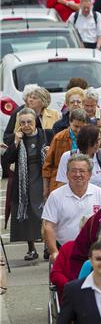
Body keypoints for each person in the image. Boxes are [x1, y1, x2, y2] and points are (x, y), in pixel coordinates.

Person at [3, 108, 47, 260]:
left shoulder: (46, 135)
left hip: (42, 178)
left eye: (29, 122)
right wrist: (15, 142)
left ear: (36, 122)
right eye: (23, 122)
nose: (26, 125)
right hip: (23, 179)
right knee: (27, 214)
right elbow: (7, 160)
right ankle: (32, 248)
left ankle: (48, 247)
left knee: (45, 214)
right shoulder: (16, 138)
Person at [42, 155, 101, 263]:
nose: (78, 174)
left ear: (89, 174)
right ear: (67, 174)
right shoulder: (55, 196)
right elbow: (48, 227)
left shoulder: (100, 193)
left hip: (96, 252)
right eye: (73, 171)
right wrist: (55, 253)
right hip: (66, 252)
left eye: (82, 171)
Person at [54, 123, 101, 189]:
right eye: (93, 141)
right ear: (84, 141)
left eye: (99, 140)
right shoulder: (67, 156)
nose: (97, 144)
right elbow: (62, 184)